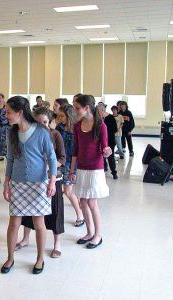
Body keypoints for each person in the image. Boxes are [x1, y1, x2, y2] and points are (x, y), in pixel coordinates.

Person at [1, 96, 57, 275]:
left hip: (39, 184)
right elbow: (9, 160)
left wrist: (52, 181)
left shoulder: (41, 132)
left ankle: (40, 259)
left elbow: (52, 158)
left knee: (39, 223)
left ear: (19, 112)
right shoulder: (12, 133)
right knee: (14, 223)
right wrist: (6, 183)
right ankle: (10, 258)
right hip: (18, 183)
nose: (6, 115)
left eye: (8, 112)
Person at [17, 108, 65, 259]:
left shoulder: (55, 134)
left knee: (55, 211)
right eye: (39, 122)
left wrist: (50, 166)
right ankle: (25, 239)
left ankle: (57, 243)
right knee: (28, 210)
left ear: (50, 122)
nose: (42, 125)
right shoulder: (30, 134)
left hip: (52, 179)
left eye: (45, 122)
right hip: (34, 179)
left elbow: (62, 158)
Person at [70, 95, 111, 249]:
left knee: (91, 202)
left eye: (77, 108)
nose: (75, 110)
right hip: (81, 168)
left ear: (87, 108)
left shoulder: (101, 126)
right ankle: (89, 232)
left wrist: (107, 152)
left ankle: (98, 235)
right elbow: (75, 149)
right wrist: (72, 170)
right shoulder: (77, 126)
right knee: (82, 202)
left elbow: (104, 148)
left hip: (95, 169)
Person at [56, 104, 84, 226]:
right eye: (59, 115)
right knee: (68, 190)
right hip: (60, 162)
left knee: (68, 191)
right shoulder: (59, 127)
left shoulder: (76, 129)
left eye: (62, 116)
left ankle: (80, 215)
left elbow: (77, 150)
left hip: (71, 163)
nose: (60, 118)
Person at [97, 103, 118, 180]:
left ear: (102, 110)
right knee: (101, 157)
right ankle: (103, 168)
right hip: (100, 141)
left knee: (110, 157)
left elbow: (115, 129)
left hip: (110, 141)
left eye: (98, 111)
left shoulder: (111, 118)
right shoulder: (98, 118)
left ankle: (114, 172)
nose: (97, 113)